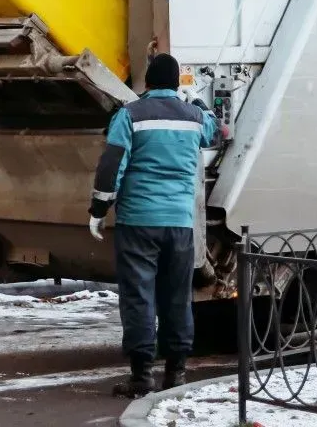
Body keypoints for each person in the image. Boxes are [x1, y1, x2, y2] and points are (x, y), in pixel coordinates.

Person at [86, 53, 221, 398]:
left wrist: (99, 209)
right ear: (176, 84)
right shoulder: (193, 118)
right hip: (179, 226)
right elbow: (217, 130)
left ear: (147, 83)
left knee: (139, 296)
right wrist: (199, 105)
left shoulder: (130, 116)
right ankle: (176, 373)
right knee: (177, 297)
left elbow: (111, 165)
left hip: (138, 223)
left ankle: (142, 375)